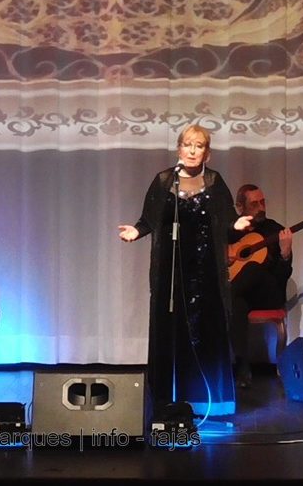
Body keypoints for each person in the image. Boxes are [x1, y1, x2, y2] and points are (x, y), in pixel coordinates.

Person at [118, 124, 252, 416]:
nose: (193, 151)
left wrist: (237, 225)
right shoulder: (164, 180)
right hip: (170, 271)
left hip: (207, 272)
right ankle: (168, 400)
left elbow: (228, 222)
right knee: (171, 331)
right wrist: (136, 232)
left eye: (199, 146)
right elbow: (149, 219)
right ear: (179, 149)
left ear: (208, 152)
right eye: (188, 145)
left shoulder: (215, 181)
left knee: (207, 332)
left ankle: (210, 404)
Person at [228, 184, 293, 388]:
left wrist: (285, 254)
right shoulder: (232, 233)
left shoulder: (275, 230)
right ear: (240, 207)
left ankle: (220, 301)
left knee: (254, 268)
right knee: (236, 303)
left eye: (262, 202)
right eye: (254, 204)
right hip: (242, 293)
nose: (261, 207)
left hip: (268, 292)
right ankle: (242, 366)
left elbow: (283, 277)